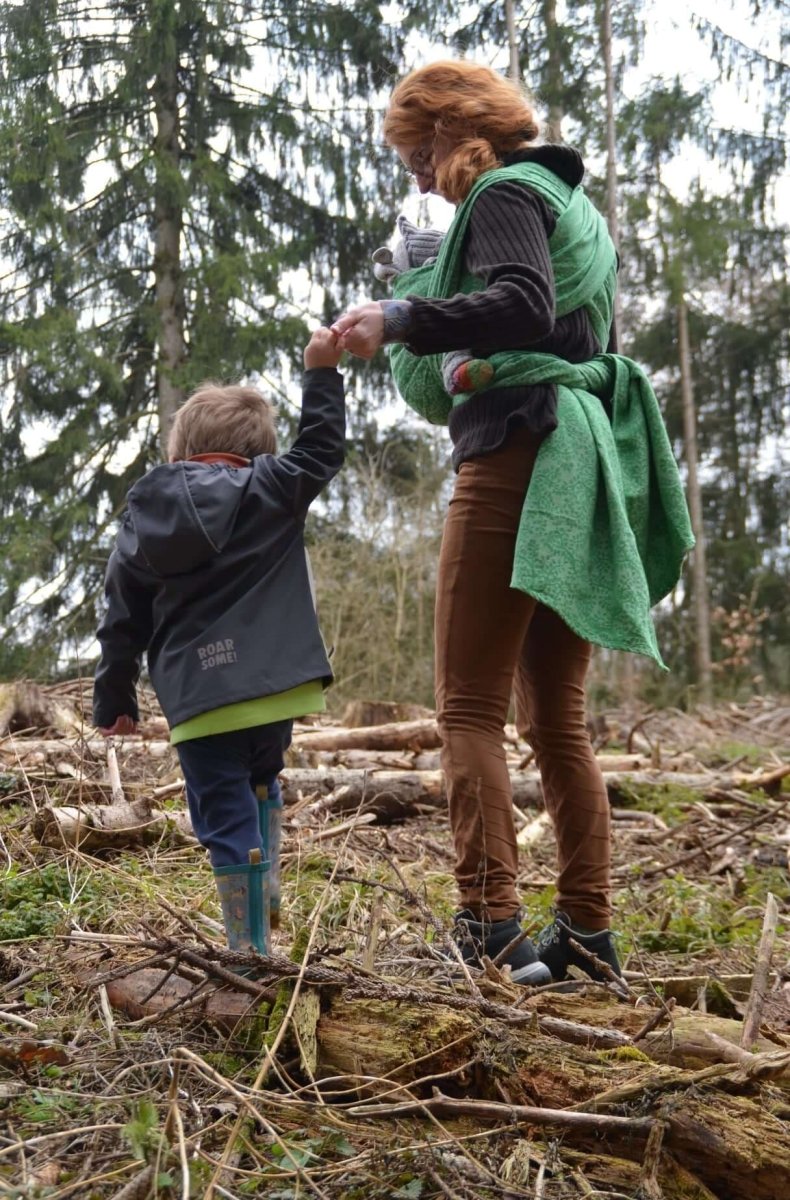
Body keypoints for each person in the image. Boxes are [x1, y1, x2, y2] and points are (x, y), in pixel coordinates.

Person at [332, 60, 694, 987]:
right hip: (580, 461)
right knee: (556, 719)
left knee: (468, 708)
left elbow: (522, 307)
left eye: (416, 152)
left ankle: (490, 924)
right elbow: (566, 331)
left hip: (517, 458)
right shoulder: (575, 207)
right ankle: (586, 930)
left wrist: (404, 314)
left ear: (455, 131)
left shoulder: (500, 191)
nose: (415, 174)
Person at [93, 328, 345, 962]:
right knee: (263, 777)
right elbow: (321, 448)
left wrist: (114, 691)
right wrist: (321, 372)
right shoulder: (274, 488)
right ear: (256, 450)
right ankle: (270, 894)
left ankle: (249, 947)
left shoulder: (146, 516)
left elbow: (122, 611)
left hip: (202, 700)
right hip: (275, 689)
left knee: (222, 814)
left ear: (182, 450)